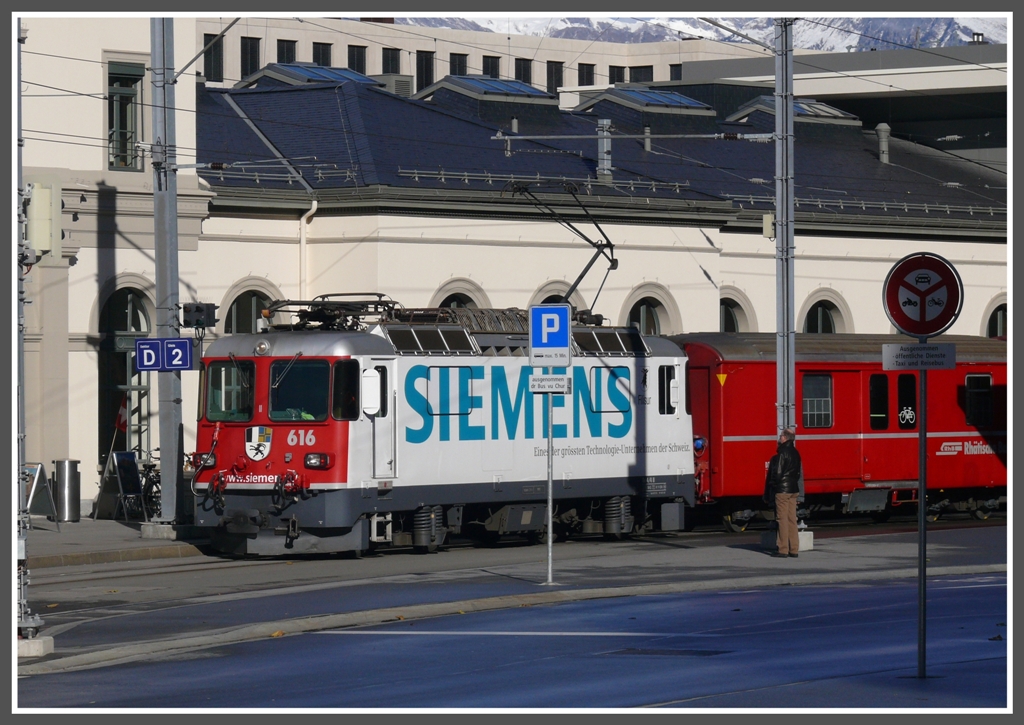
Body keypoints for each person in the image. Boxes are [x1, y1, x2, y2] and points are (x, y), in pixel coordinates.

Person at [764, 428, 802, 558]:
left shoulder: (782, 453)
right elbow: (798, 473)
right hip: (793, 489)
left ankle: (783, 549)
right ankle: (794, 549)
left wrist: (774, 485)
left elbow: (778, 473)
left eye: (781, 436)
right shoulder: (796, 453)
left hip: (782, 491)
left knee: (782, 519)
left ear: (785, 438)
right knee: (792, 519)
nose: (780, 437)